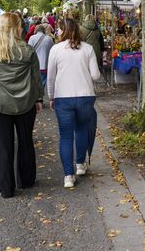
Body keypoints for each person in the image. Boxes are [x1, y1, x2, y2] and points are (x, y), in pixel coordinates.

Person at [0, 13, 44, 198]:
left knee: (2, 146)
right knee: (26, 142)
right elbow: (36, 78)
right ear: (17, 29)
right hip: (26, 103)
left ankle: (6, 187)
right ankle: (26, 180)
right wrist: (39, 99)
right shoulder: (28, 51)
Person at [47, 18, 101, 188]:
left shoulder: (55, 49)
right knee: (81, 128)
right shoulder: (88, 48)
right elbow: (95, 76)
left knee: (66, 135)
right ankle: (80, 164)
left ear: (62, 31)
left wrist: (51, 96)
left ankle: (68, 176)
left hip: (63, 96)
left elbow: (51, 76)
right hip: (85, 95)